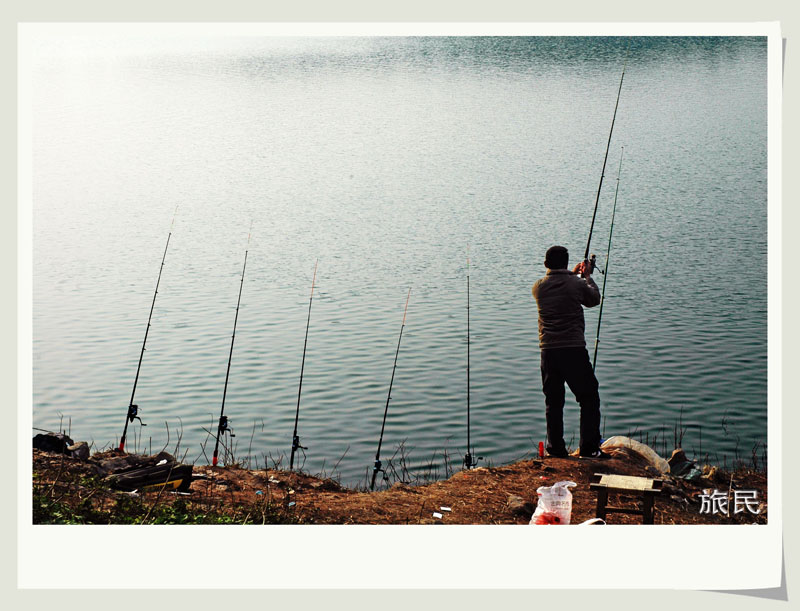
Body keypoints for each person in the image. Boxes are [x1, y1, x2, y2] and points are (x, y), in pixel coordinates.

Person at [531, 245, 606, 459]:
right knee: (589, 396)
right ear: (565, 263)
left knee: (553, 401)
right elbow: (593, 299)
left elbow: (561, 285)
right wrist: (587, 276)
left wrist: (573, 274)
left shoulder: (538, 287)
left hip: (548, 352)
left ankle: (555, 449)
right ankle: (590, 448)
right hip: (573, 350)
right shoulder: (576, 284)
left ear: (546, 264)